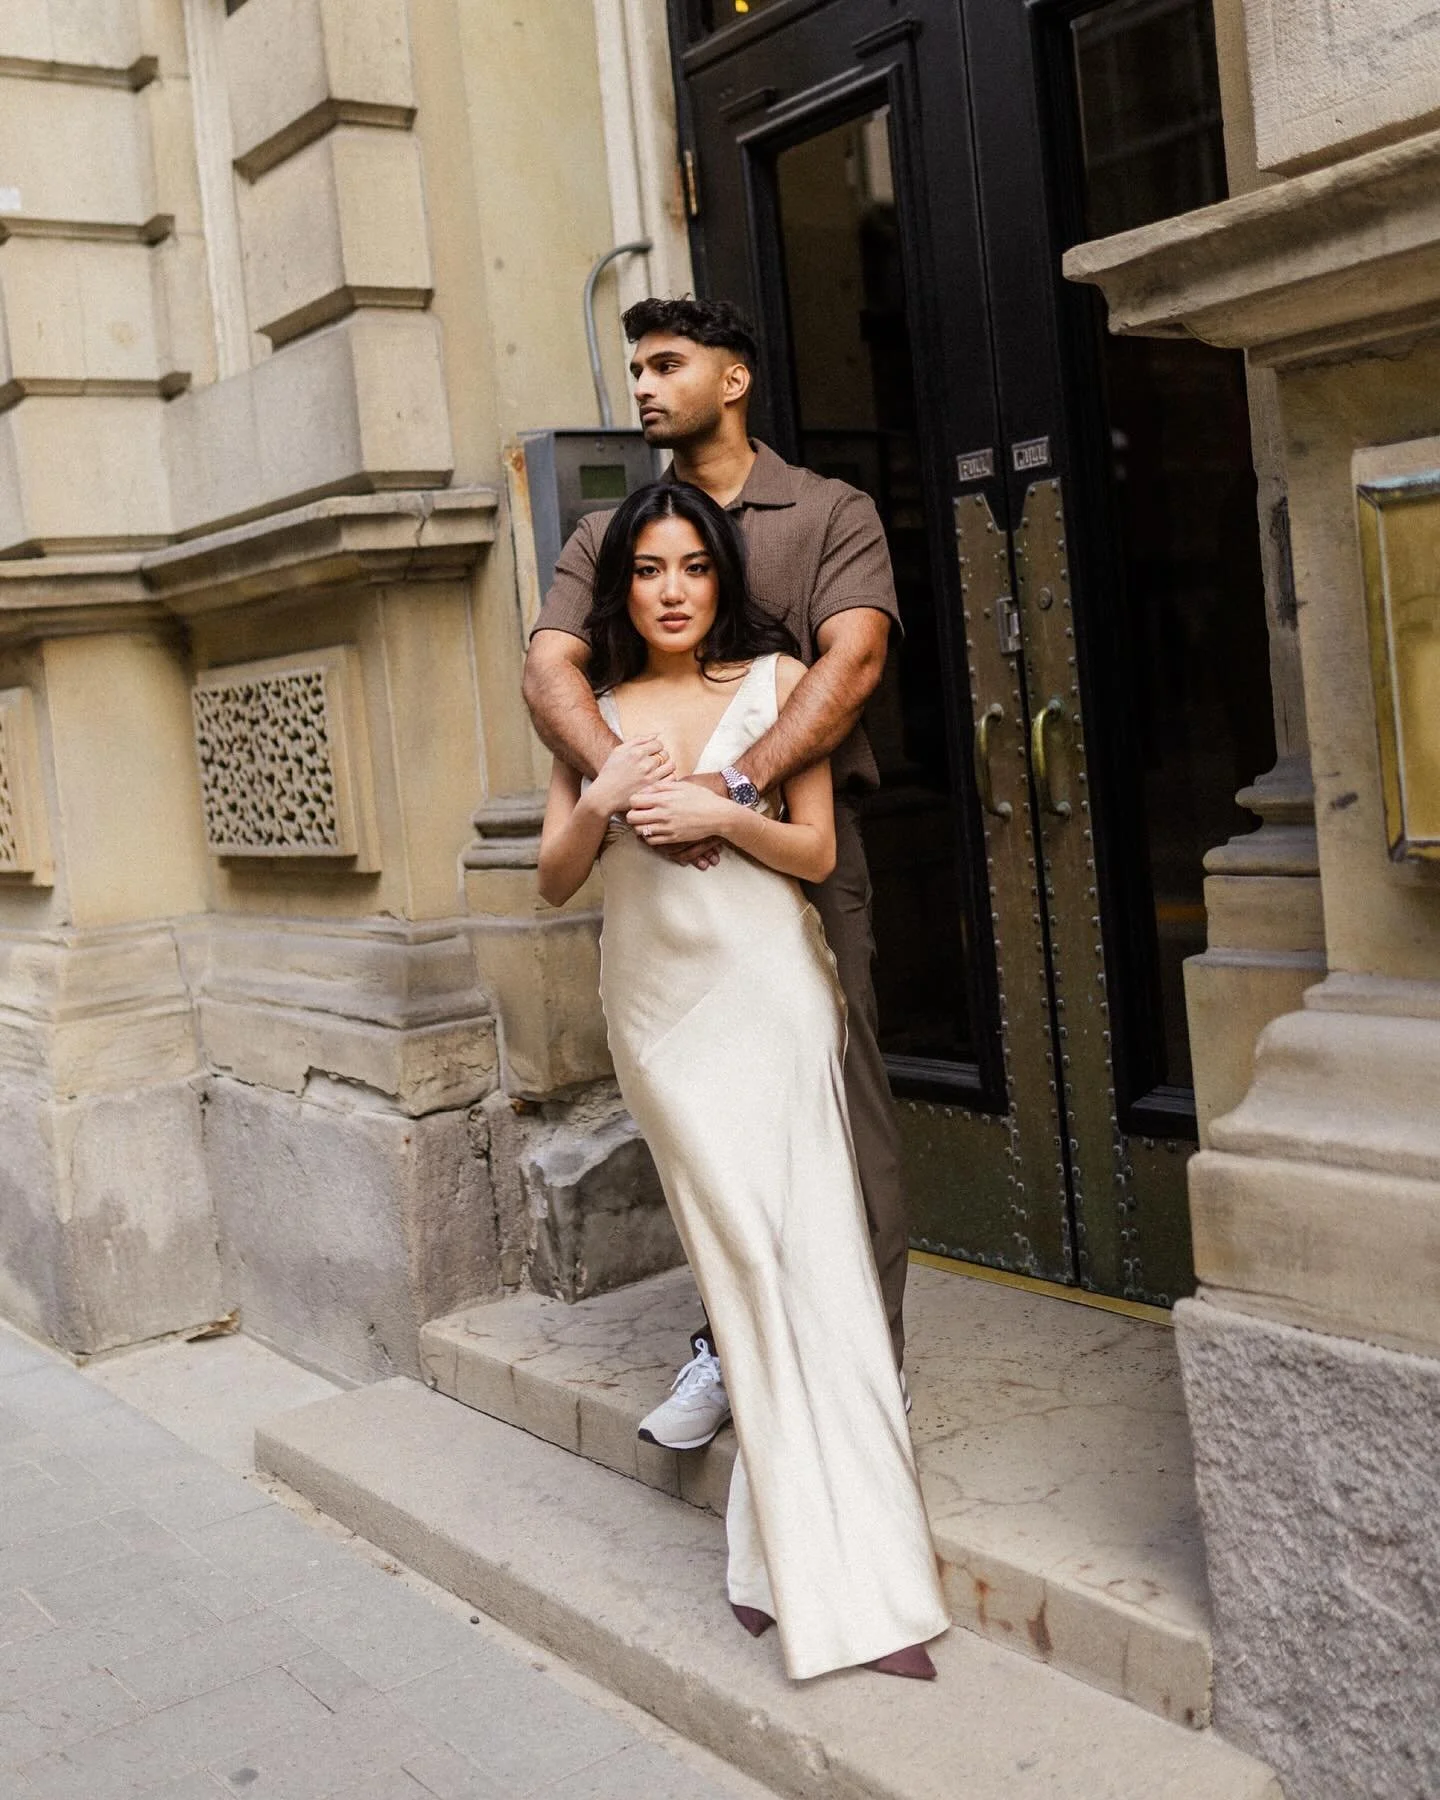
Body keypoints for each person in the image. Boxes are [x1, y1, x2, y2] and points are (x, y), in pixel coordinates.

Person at [536, 479, 947, 1681]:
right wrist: (610, 796)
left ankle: (827, 1573)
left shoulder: (771, 687)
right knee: (745, 1264)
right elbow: (555, 880)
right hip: (661, 1020)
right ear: (621, 590)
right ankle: (789, 1554)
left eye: (693, 567)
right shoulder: (593, 714)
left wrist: (720, 802)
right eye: (648, 571)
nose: (672, 590)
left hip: (774, 993)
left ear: (723, 578)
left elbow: (814, 850)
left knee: (815, 1259)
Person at [524, 297, 909, 1453]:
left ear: (732, 378)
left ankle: (867, 1370)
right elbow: (550, 673)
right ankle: (728, 1350)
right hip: (665, 889)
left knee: (842, 1116)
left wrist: (733, 794)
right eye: (634, 366)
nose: (641, 385)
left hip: (795, 859)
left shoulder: (828, 511)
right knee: (709, 1125)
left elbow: (856, 661)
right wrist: (636, 797)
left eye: (666, 364)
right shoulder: (613, 533)